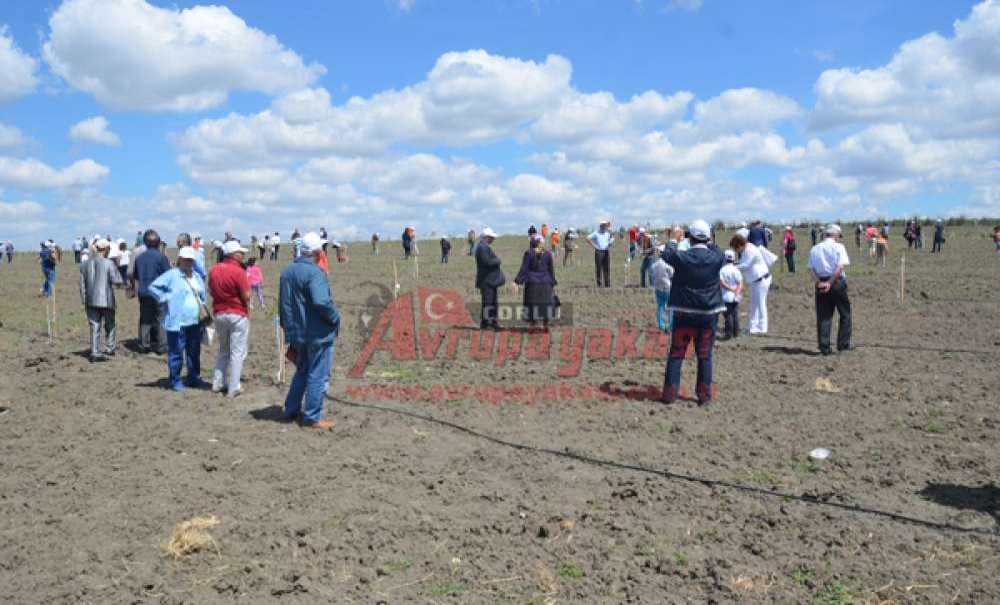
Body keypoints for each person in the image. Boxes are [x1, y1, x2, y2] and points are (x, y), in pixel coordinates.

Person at [279, 232, 341, 429]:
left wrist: (289, 330)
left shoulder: (287, 272)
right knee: (318, 374)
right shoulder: (315, 273)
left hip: (297, 333)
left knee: (303, 371)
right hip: (317, 333)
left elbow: (284, 305)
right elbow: (321, 301)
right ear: (317, 252)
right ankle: (312, 417)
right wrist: (335, 317)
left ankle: (291, 409)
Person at [659, 220, 725, 405]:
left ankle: (670, 394)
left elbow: (667, 254)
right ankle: (704, 396)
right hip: (709, 312)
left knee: (677, 354)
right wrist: (709, 239)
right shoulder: (717, 257)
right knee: (705, 355)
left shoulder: (682, 257)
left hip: (684, 312)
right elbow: (717, 249)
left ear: (690, 238)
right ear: (708, 238)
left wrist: (674, 238)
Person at [149, 247, 208, 391]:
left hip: (195, 322)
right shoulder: (172, 275)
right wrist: (165, 297)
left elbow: (202, 296)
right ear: (179, 260)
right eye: (185, 260)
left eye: (190, 260)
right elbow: (153, 287)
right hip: (177, 323)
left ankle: (193, 377)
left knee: (194, 351)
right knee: (176, 352)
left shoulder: (197, 276)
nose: (188, 262)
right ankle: (175, 380)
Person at [209, 241, 251, 398]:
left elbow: (211, 290)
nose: (243, 255)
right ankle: (234, 387)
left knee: (224, 349)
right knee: (237, 352)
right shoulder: (239, 271)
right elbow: (246, 296)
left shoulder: (214, 270)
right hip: (237, 313)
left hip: (219, 312)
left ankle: (218, 383)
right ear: (234, 255)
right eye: (241, 253)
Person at [808, 225, 852, 355]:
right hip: (836, 282)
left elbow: (811, 270)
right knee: (845, 314)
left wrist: (819, 283)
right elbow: (840, 267)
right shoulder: (839, 247)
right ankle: (843, 344)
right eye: (839, 236)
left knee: (823, 316)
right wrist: (830, 282)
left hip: (821, 281)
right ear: (835, 235)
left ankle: (824, 347)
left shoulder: (815, 248)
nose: (839, 238)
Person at [79, 239, 123, 361]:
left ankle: (94, 351)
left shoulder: (84, 264)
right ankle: (110, 348)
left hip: (90, 300)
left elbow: (81, 285)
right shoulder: (109, 263)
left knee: (94, 326)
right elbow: (117, 280)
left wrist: (84, 300)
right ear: (106, 249)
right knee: (110, 325)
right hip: (106, 300)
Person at [132, 230, 172, 354]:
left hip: (144, 292)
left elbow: (136, 275)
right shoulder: (162, 257)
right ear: (158, 243)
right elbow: (168, 275)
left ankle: (144, 345)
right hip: (159, 293)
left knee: (145, 319)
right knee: (161, 318)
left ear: (145, 243)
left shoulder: (139, 258)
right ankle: (162, 346)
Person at [731, 229, 774, 335]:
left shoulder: (750, 250)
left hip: (761, 280)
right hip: (755, 281)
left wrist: (732, 266)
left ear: (740, 245)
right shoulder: (746, 249)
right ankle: (753, 327)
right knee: (754, 304)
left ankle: (762, 328)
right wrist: (734, 264)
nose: (736, 251)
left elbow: (746, 265)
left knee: (760, 304)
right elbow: (742, 262)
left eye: (736, 248)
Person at [514, 235, 556, 330]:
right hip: (546, 282)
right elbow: (551, 270)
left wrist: (517, 281)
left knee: (532, 305)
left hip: (532, 283)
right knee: (545, 303)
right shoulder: (548, 253)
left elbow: (524, 269)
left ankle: (533, 325)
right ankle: (545, 324)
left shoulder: (529, 253)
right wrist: (552, 282)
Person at [475, 227, 505, 330]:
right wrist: (498, 260)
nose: (493, 239)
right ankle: (490, 323)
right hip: (487, 280)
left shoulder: (483, 247)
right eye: (491, 237)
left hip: (489, 280)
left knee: (490, 302)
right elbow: (487, 262)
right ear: (486, 237)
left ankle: (487, 323)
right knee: (489, 302)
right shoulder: (482, 248)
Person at [719, 249, 743, 339]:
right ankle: (736, 333)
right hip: (735, 296)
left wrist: (730, 289)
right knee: (735, 314)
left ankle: (728, 333)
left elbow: (721, 283)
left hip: (726, 296)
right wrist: (737, 291)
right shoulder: (736, 270)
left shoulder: (722, 270)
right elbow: (740, 283)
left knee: (728, 315)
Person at [649, 247, 674, 332]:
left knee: (660, 306)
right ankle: (671, 326)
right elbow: (672, 275)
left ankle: (661, 325)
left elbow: (651, 275)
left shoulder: (654, 265)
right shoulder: (668, 265)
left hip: (658, 288)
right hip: (667, 288)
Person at [588, 220, 614, 287]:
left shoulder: (608, 233)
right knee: (599, 268)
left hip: (606, 251)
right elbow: (587, 238)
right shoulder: (596, 233)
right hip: (599, 252)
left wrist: (611, 242)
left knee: (607, 268)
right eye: (604, 226)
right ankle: (599, 284)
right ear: (601, 226)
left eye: (606, 226)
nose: (605, 227)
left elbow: (611, 240)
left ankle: (607, 284)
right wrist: (594, 246)